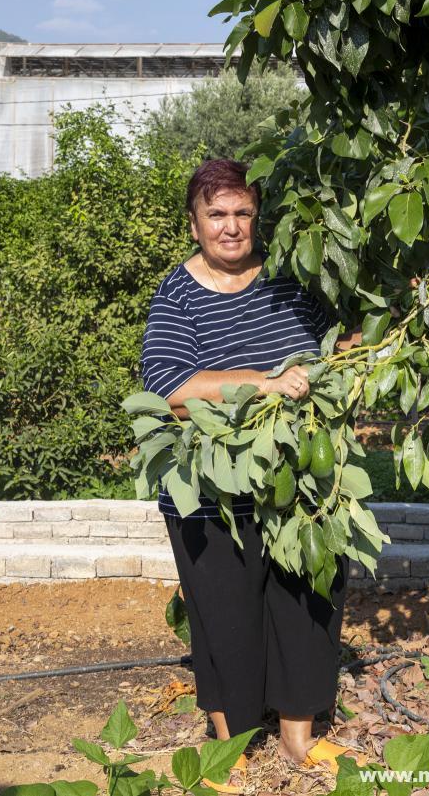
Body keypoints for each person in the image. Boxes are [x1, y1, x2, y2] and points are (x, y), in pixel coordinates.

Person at [140, 159, 363, 791]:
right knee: (225, 613)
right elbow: (172, 390)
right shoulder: (177, 294)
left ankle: (298, 737)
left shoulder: (291, 285)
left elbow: (335, 350)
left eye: (242, 213)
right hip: (210, 489)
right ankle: (230, 744)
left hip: (299, 486)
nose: (231, 227)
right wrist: (265, 385)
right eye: (217, 214)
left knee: (306, 602)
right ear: (194, 223)